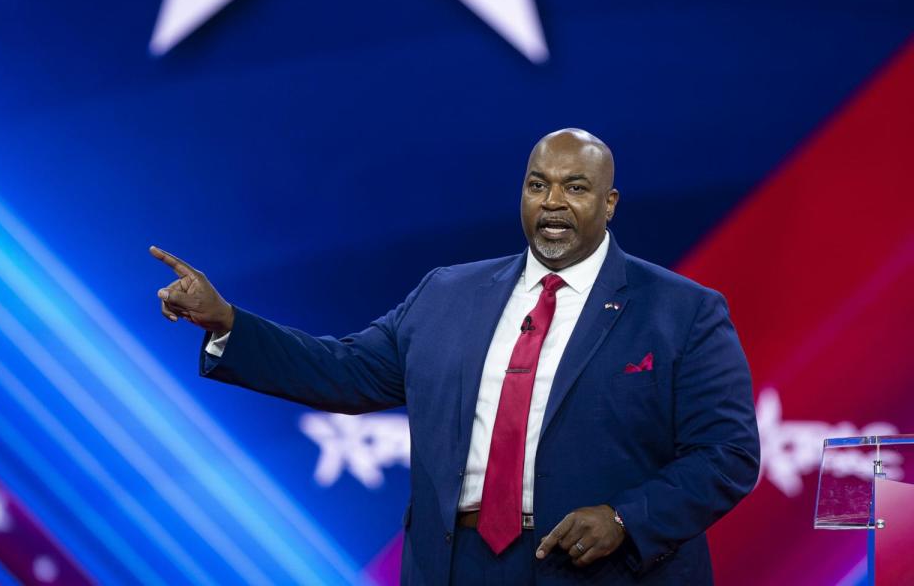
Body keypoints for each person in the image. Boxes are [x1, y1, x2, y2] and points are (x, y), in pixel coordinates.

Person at [150, 128, 759, 585]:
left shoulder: (681, 311)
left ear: (609, 204)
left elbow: (726, 456)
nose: (553, 201)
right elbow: (345, 372)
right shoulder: (447, 293)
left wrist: (625, 519)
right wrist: (226, 321)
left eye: (575, 187)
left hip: (600, 571)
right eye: (537, 184)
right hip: (453, 564)